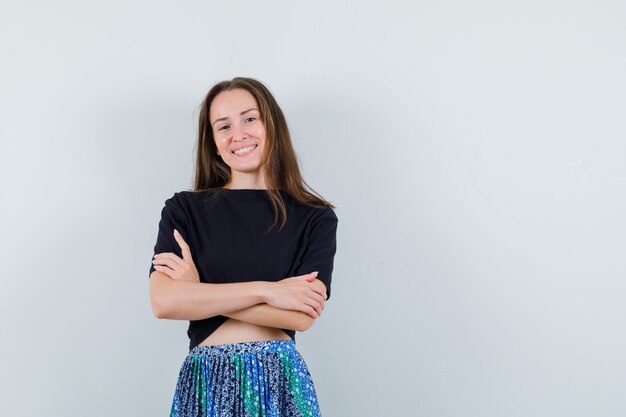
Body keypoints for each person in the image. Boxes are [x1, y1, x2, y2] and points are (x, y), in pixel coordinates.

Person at [148, 76, 338, 417]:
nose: (239, 134)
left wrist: (198, 293)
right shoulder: (184, 210)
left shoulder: (314, 216)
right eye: (223, 126)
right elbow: (164, 302)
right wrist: (268, 291)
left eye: (250, 118)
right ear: (214, 144)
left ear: (271, 124)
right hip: (207, 380)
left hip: (279, 379)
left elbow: (301, 315)